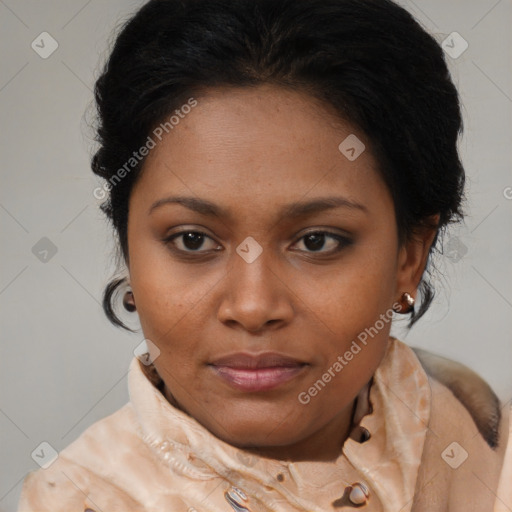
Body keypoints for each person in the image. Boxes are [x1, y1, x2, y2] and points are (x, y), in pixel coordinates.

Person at [17, 0, 511, 510]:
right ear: (129, 254)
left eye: (317, 241)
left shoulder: (488, 452)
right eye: (193, 240)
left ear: (410, 255)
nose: (253, 307)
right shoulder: (79, 499)